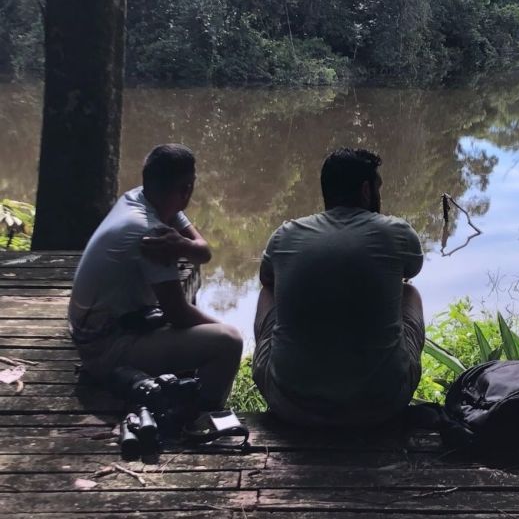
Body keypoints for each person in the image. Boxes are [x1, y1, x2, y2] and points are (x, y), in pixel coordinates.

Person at [253, 147, 425, 426]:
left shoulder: (285, 234)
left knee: (268, 290)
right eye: (378, 188)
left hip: (290, 403)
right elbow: (411, 271)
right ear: (367, 190)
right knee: (409, 292)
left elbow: (267, 278)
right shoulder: (397, 232)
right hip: (383, 404)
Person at [68, 144, 243, 410]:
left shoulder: (138, 197)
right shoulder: (151, 233)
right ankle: (203, 416)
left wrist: (183, 245)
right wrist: (222, 328)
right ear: (187, 189)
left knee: (206, 327)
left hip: (99, 331)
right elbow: (178, 314)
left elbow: (203, 253)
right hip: (105, 349)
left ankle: (189, 392)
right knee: (229, 342)